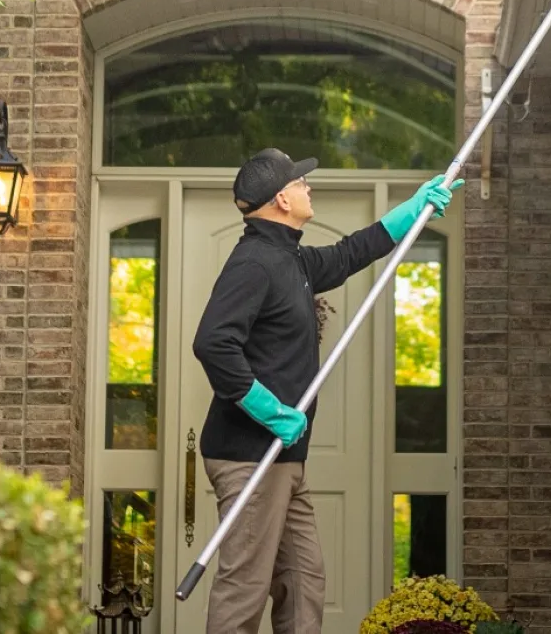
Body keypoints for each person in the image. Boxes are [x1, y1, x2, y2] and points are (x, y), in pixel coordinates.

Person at [192, 148, 460, 634]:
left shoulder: (287, 257)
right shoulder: (255, 262)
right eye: (300, 182)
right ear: (281, 199)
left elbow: (348, 255)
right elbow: (212, 343)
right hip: (251, 455)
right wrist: (269, 411)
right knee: (244, 589)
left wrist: (413, 209)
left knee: (303, 579)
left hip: (284, 458)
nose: (308, 186)